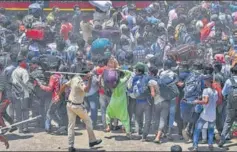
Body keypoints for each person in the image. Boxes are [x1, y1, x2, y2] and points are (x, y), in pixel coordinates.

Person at [57, 71, 102, 152]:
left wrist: (59, 95)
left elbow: (64, 85)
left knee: (71, 125)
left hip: (69, 105)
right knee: (88, 121)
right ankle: (92, 141)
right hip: (77, 106)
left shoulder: (74, 78)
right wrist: (90, 80)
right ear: (85, 75)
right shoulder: (80, 81)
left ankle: (70, 146)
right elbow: (86, 90)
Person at [191, 75, 218, 151]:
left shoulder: (206, 90)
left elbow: (206, 101)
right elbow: (216, 102)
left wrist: (197, 101)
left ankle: (195, 146)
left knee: (197, 129)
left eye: (205, 81)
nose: (204, 82)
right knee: (211, 130)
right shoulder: (215, 91)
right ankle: (210, 145)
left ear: (208, 81)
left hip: (205, 114)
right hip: (213, 114)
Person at [219, 64, 237, 147]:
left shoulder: (229, 81)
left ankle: (222, 141)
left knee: (228, 122)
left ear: (232, 72)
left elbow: (223, 93)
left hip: (231, 105)